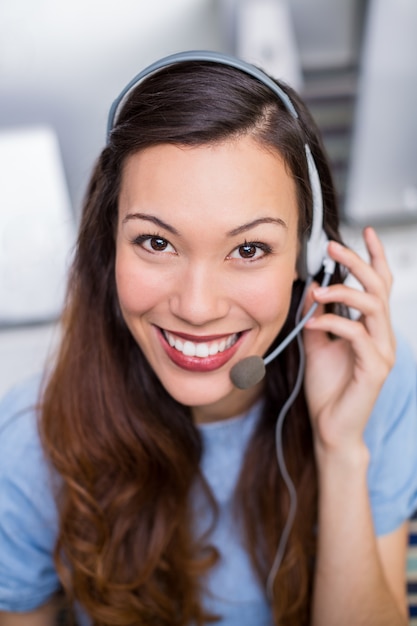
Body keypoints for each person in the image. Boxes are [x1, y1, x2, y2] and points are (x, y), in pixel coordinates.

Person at [0, 50, 416, 626]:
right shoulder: (29, 439)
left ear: (307, 258)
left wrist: (340, 450)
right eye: (156, 242)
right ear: (109, 243)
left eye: (249, 250)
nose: (196, 308)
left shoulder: (378, 390)